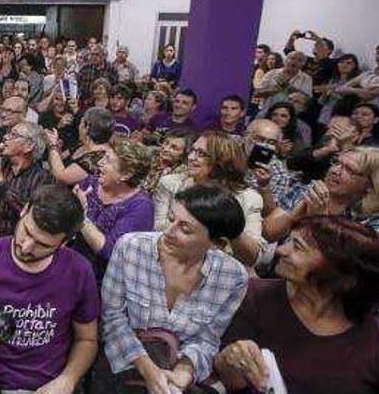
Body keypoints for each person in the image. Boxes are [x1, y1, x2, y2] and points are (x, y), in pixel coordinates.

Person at [0, 185, 99, 393]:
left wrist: (68, 379)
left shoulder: (79, 271)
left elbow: (87, 339)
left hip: (43, 387)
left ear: (65, 243)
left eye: (42, 244)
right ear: (24, 210)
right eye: (26, 231)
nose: (25, 247)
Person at [215, 216, 379, 394]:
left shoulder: (377, 342)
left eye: (298, 247)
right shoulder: (253, 296)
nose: (281, 250)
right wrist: (230, 359)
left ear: (341, 275)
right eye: (289, 241)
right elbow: (229, 382)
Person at [100, 185, 248, 392]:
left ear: (218, 243)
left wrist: (182, 374)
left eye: (185, 229)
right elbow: (112, 318)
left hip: (175, 366)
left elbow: (207, 339)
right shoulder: (131, 248)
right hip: (126, 356)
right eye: (171, 219)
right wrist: (149, 370)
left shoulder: (232, 277)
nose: (168, 232)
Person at [154, 130, 265, 266]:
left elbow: (254, 258)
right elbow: (157, 229)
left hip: (223, 268)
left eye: (200, 154)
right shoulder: (171, 184)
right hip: (173, 258)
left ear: (221, 161)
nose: (191, 157)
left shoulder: (249, 198)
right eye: (193, 150)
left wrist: (233, 227)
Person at [262, 147, 379, 243]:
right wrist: (294, 215)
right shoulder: (306, 191)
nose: (335, 171)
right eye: (336, 163)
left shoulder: (376, 221)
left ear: (370, 185)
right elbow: (266, 233)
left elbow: (344, 264)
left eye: (350, 170)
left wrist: (319, 220)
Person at [72, 136, 154, 281]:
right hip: (74, 265)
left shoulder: (140, 207)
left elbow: (110, 251)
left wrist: (81, 216)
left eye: (108, 160)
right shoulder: (92, 181)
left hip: (102, 281)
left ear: (126, 175)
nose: (99, 163)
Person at [45, 107, 114, 186]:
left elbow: (62, 178)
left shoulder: (98, 157)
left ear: (87, 128)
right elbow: (58, 162)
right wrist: (56, 147)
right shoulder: (81, 145)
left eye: (81, 122)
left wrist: (52, 145)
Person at [332, 42, 379, 108]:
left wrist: (352, 89)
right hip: (356, 112)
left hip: (375, 114)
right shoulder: (367, 74)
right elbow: (339, 89)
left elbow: (368, 95)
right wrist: (359, 90)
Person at [140, 128, 194, 194]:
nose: (165, 149)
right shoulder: (150, 155)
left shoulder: (182, 174)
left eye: (174, 148)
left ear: (184, 155)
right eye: (166, 143)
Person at [315, 53, 361, 126]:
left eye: (349, 63)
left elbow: (351, 103)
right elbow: (321, 102)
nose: (344, 65)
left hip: (341, 120)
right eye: (341, 62)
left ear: (354, 66)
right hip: (323, 118)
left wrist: (333, 92)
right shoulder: (333, 80)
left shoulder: (357, 83)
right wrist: (324, 92)